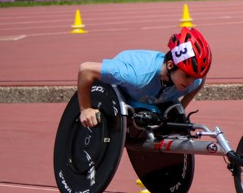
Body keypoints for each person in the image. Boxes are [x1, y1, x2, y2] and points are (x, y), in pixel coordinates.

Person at [77, 27, 212, 128]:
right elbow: (86, 69)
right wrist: (85, 109)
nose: (190, 82)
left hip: (151, 99)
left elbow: (201, 80)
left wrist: (183, 106)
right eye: (187, 76)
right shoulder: (135, 76)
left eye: (195, 77)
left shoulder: (193, 81)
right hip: (124, 94)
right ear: (170, 65)